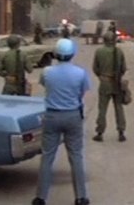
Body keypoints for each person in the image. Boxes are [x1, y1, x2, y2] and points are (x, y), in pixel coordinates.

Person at [32, 38, 91, 205]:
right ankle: (80, 197)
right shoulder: (80, 73)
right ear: (72, 54)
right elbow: (82, 92)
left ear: (56, 55)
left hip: (52, 116)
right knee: (76, 156)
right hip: (72, 115)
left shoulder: (47, 72)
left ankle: (41, 197)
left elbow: (45, 86)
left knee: (47, 157)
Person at [92, 31, 127, 142]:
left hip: (104, 81)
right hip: (116, 82)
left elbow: (95, 68)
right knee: (118, 107)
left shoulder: (99, 51)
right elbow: (123, 68)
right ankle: (121, 132)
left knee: (102, 108)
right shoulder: (119, 52)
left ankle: (100, 132)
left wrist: (102, 75)